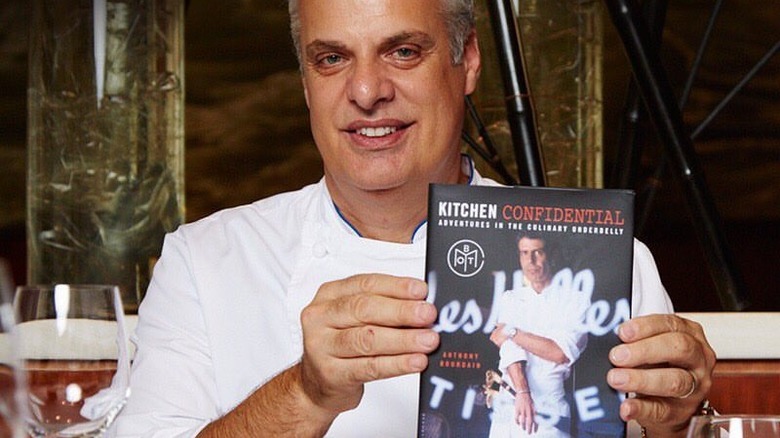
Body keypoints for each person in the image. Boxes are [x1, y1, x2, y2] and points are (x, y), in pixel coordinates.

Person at [111, 0, 716, 437]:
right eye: (331, 58)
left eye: (402, 51)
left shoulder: (611, 257)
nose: (367, 90)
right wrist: (305, 394)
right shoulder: (204, 261)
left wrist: (677, 423)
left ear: (469, 60)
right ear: (304, 82)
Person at [488, 233, 591, 437]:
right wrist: (522, 392)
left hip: (548, 409)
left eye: (537, 252)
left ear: (550, 255)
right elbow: (506, 347)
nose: (530, 261)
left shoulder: (576, 301)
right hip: (507, 405)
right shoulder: (510, 298)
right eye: (524, 253)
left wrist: (512, 331)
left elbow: (559, 352)